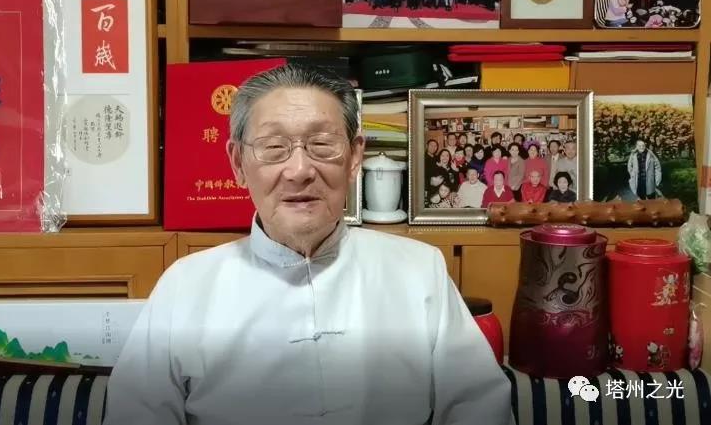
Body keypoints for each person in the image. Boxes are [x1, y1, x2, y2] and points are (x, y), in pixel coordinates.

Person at [104, 64, 513, 425]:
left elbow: (479, 407)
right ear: (238, 163)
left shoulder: (418, 270)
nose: (299, 170)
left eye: (322, 145)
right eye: (274, 148)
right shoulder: (185, 286)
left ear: (354, 157)